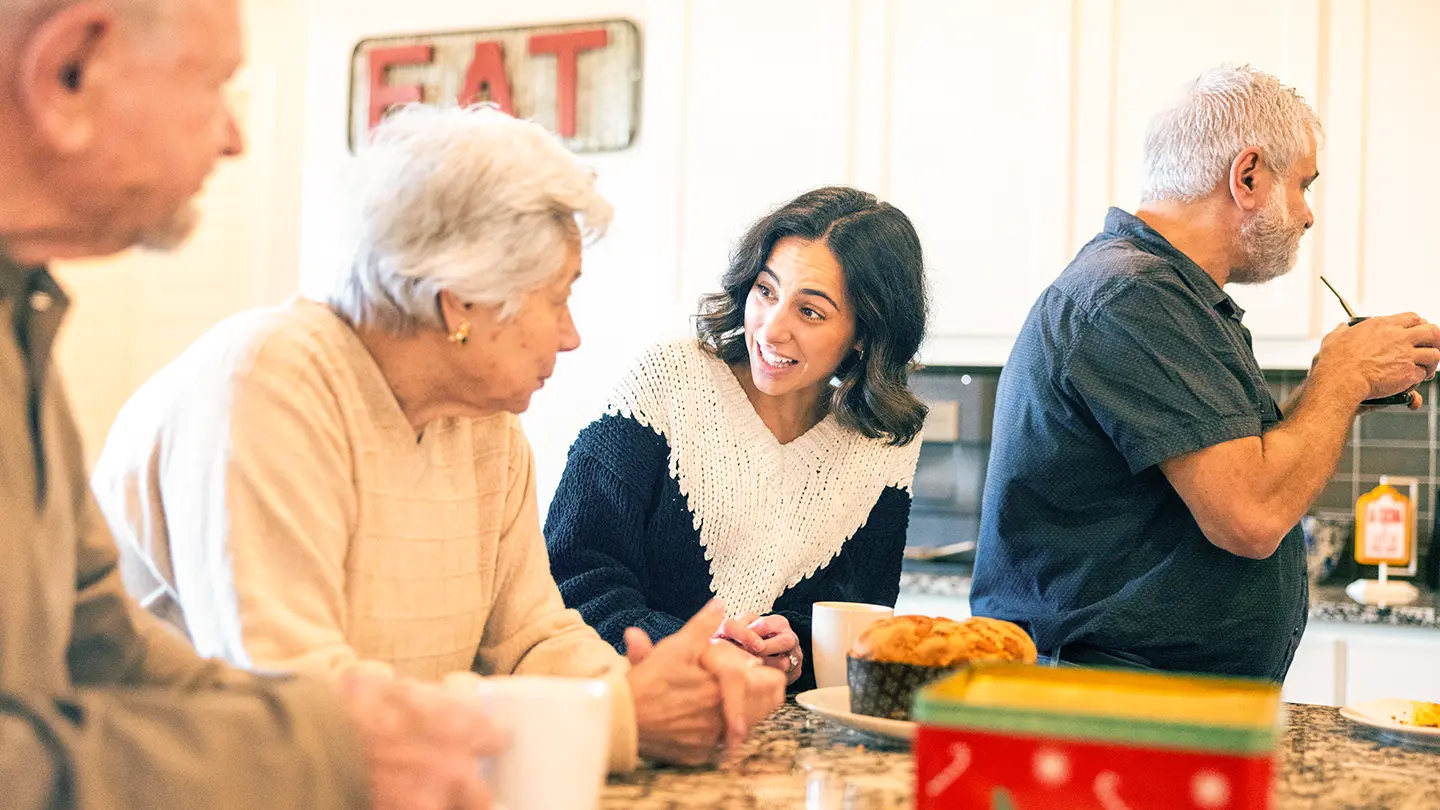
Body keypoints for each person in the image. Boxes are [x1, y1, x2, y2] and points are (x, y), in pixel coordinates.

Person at [90, 102, 786, 771]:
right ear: (461, 303)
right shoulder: (265, 383)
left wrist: (670, 691)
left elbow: (531, 640)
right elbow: (296, 697)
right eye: (559, 297)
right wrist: (615, 716)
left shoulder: (483, 423)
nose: (571, 336)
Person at [0, 1, 512, 808]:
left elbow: (101, 646)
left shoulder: (17, 315)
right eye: (215, 85)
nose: (234, 137)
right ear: (69, 72)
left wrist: (329, 714)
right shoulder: (273, 370)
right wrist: (311, 751)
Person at [970, 64, 1440, 681]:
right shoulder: (1135, 297)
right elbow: (1252, 516)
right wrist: (1341, 377)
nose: (1307, 216)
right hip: (1103, 707)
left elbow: (1249, 471)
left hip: (1135, 699)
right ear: (1247, 177)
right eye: (1302, 185)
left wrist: (1338, 389)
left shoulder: (1167, 295)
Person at [546, 186, 929, 691]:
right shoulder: (668, 381)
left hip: (777, 736)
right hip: (632, 707)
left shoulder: (881, 444)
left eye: (810, 312)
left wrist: (794, 652)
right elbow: (572, 577)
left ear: (864, 332)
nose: (771, 330)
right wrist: (699, 653)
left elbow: (861, 626)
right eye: (766, 291)